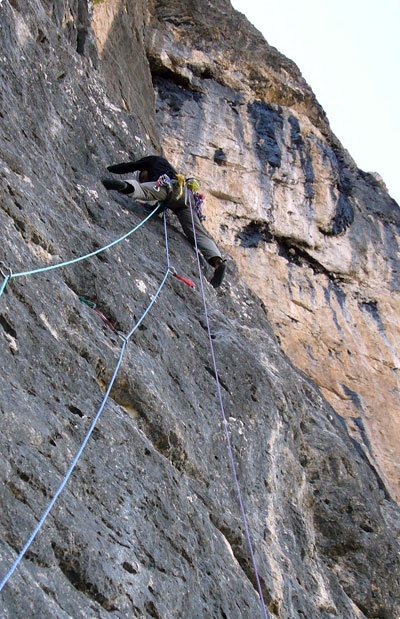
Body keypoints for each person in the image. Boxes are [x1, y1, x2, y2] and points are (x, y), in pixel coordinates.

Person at [102, 155, 226, 288]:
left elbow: (129, 166)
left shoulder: (152, 161)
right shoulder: (171, 170)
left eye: (143, 177)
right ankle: (218, 262)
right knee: (197, 233)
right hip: (185, 196)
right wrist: (149, 208)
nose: (145, 179)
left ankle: (124, 186)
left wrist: (109, 169)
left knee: (142, 190)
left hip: (166, 186)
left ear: (145, 171)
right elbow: (160, 207)